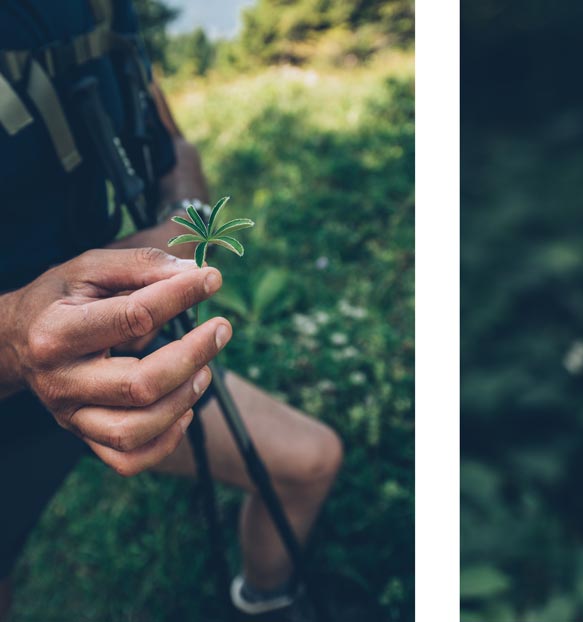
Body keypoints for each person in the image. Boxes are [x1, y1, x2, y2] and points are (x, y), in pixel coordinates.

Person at [0, 0, 343, 619]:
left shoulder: (103, 9)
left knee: (309, 461)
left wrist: (182, 224)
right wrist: (16, 336)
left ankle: (268, 603)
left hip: (121, 335)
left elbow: (173, 144)